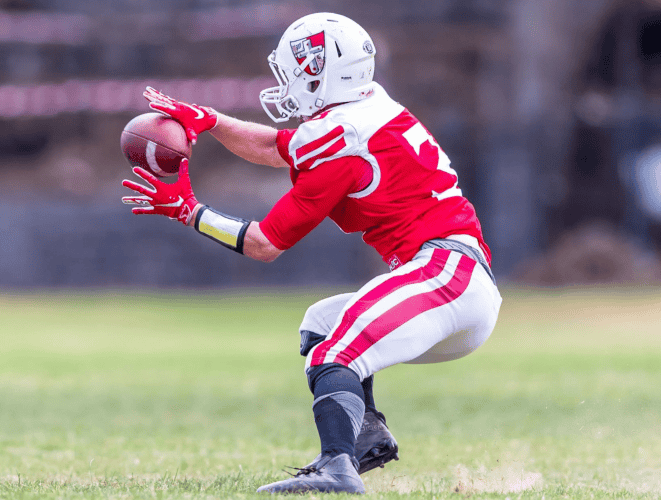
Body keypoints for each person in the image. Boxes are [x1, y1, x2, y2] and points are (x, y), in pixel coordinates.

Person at [122, 12, 502, 494]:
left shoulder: (343, 138)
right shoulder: (364, 110)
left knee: (334, 352)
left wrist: (189, 212)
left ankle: (336, 467)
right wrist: (212, 121)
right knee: (322, 322)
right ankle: (364, 437)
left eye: (292, 73)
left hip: (444, 273)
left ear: (320, 74)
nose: (286, 84)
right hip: (452, 277)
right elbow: (279, 147)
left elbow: (264, 243)